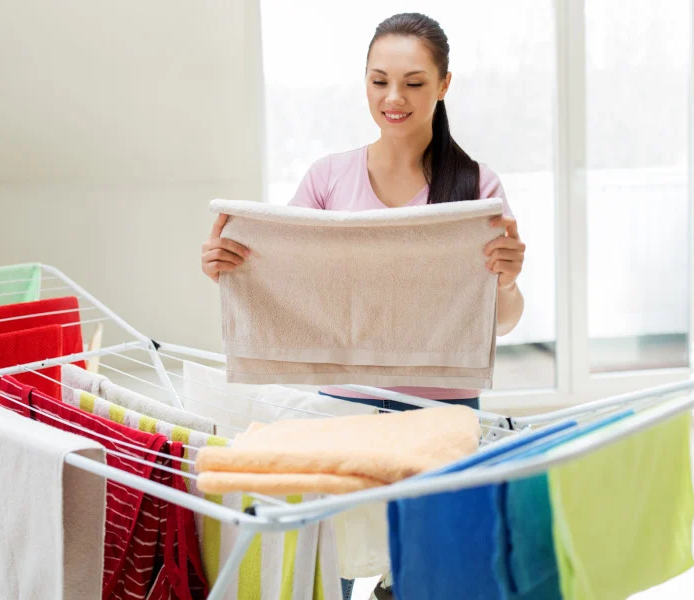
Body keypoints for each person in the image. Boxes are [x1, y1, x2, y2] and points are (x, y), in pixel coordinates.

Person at [201, 11, 527, 599]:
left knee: (428, 568)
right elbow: (284, 272)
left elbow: (500, 322)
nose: (393, 98)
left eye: (414, 82)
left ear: (445, 84)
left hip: (441, 408)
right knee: (336, 569)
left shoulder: (478, 187)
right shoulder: (328, 179)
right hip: (343, 406)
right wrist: (229, 266)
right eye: (379, 81)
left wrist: (506, 281)